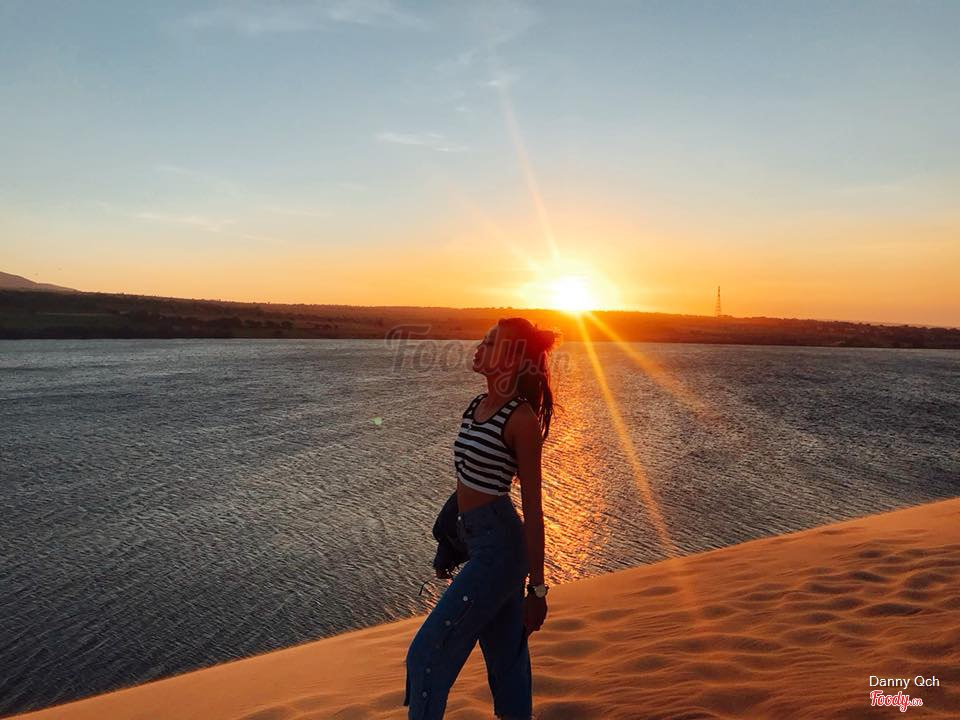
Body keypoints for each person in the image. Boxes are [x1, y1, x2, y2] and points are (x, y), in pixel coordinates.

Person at [404, 317, 561, 720]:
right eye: (484, 340)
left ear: (512, 359)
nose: (479, 348)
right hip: (478, 541)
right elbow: (468, 482)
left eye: (491, 343)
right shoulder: (476, 406)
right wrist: (450, 540)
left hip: (501, 549)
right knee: (508, 664)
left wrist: (537, 590)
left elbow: (534, 509)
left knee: (426, 654)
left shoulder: (521, 420)